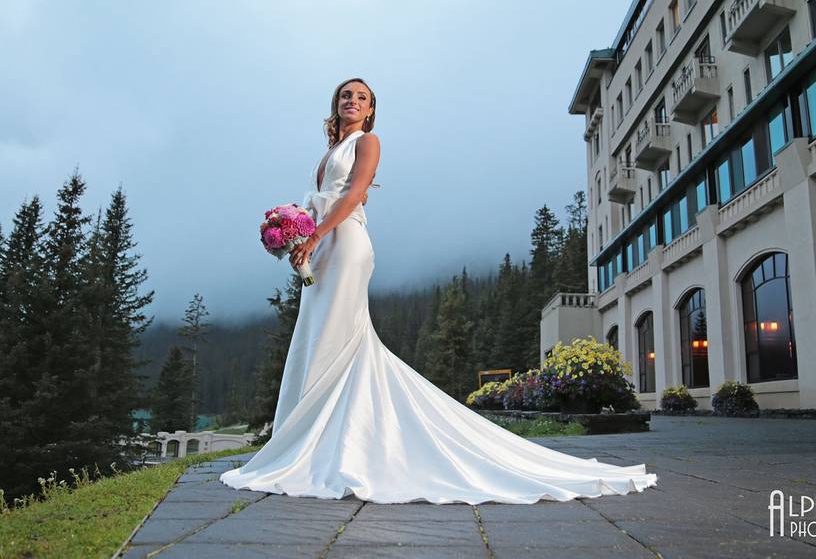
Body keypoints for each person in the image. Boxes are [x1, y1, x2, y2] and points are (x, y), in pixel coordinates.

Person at [220, 77, 658, 504]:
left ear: (371, 110)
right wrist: (296, 233)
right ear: (335, 104)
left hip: (345, 243)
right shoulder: (330, 150)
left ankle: (325, 446)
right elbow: (327, 195)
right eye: (345, 95)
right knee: (317, 337)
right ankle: (311, 442)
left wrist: (313, 235)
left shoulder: (368, 143)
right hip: (322, 247)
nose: (352, 100)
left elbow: (354, 195)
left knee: (337, 338)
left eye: (361, 97)